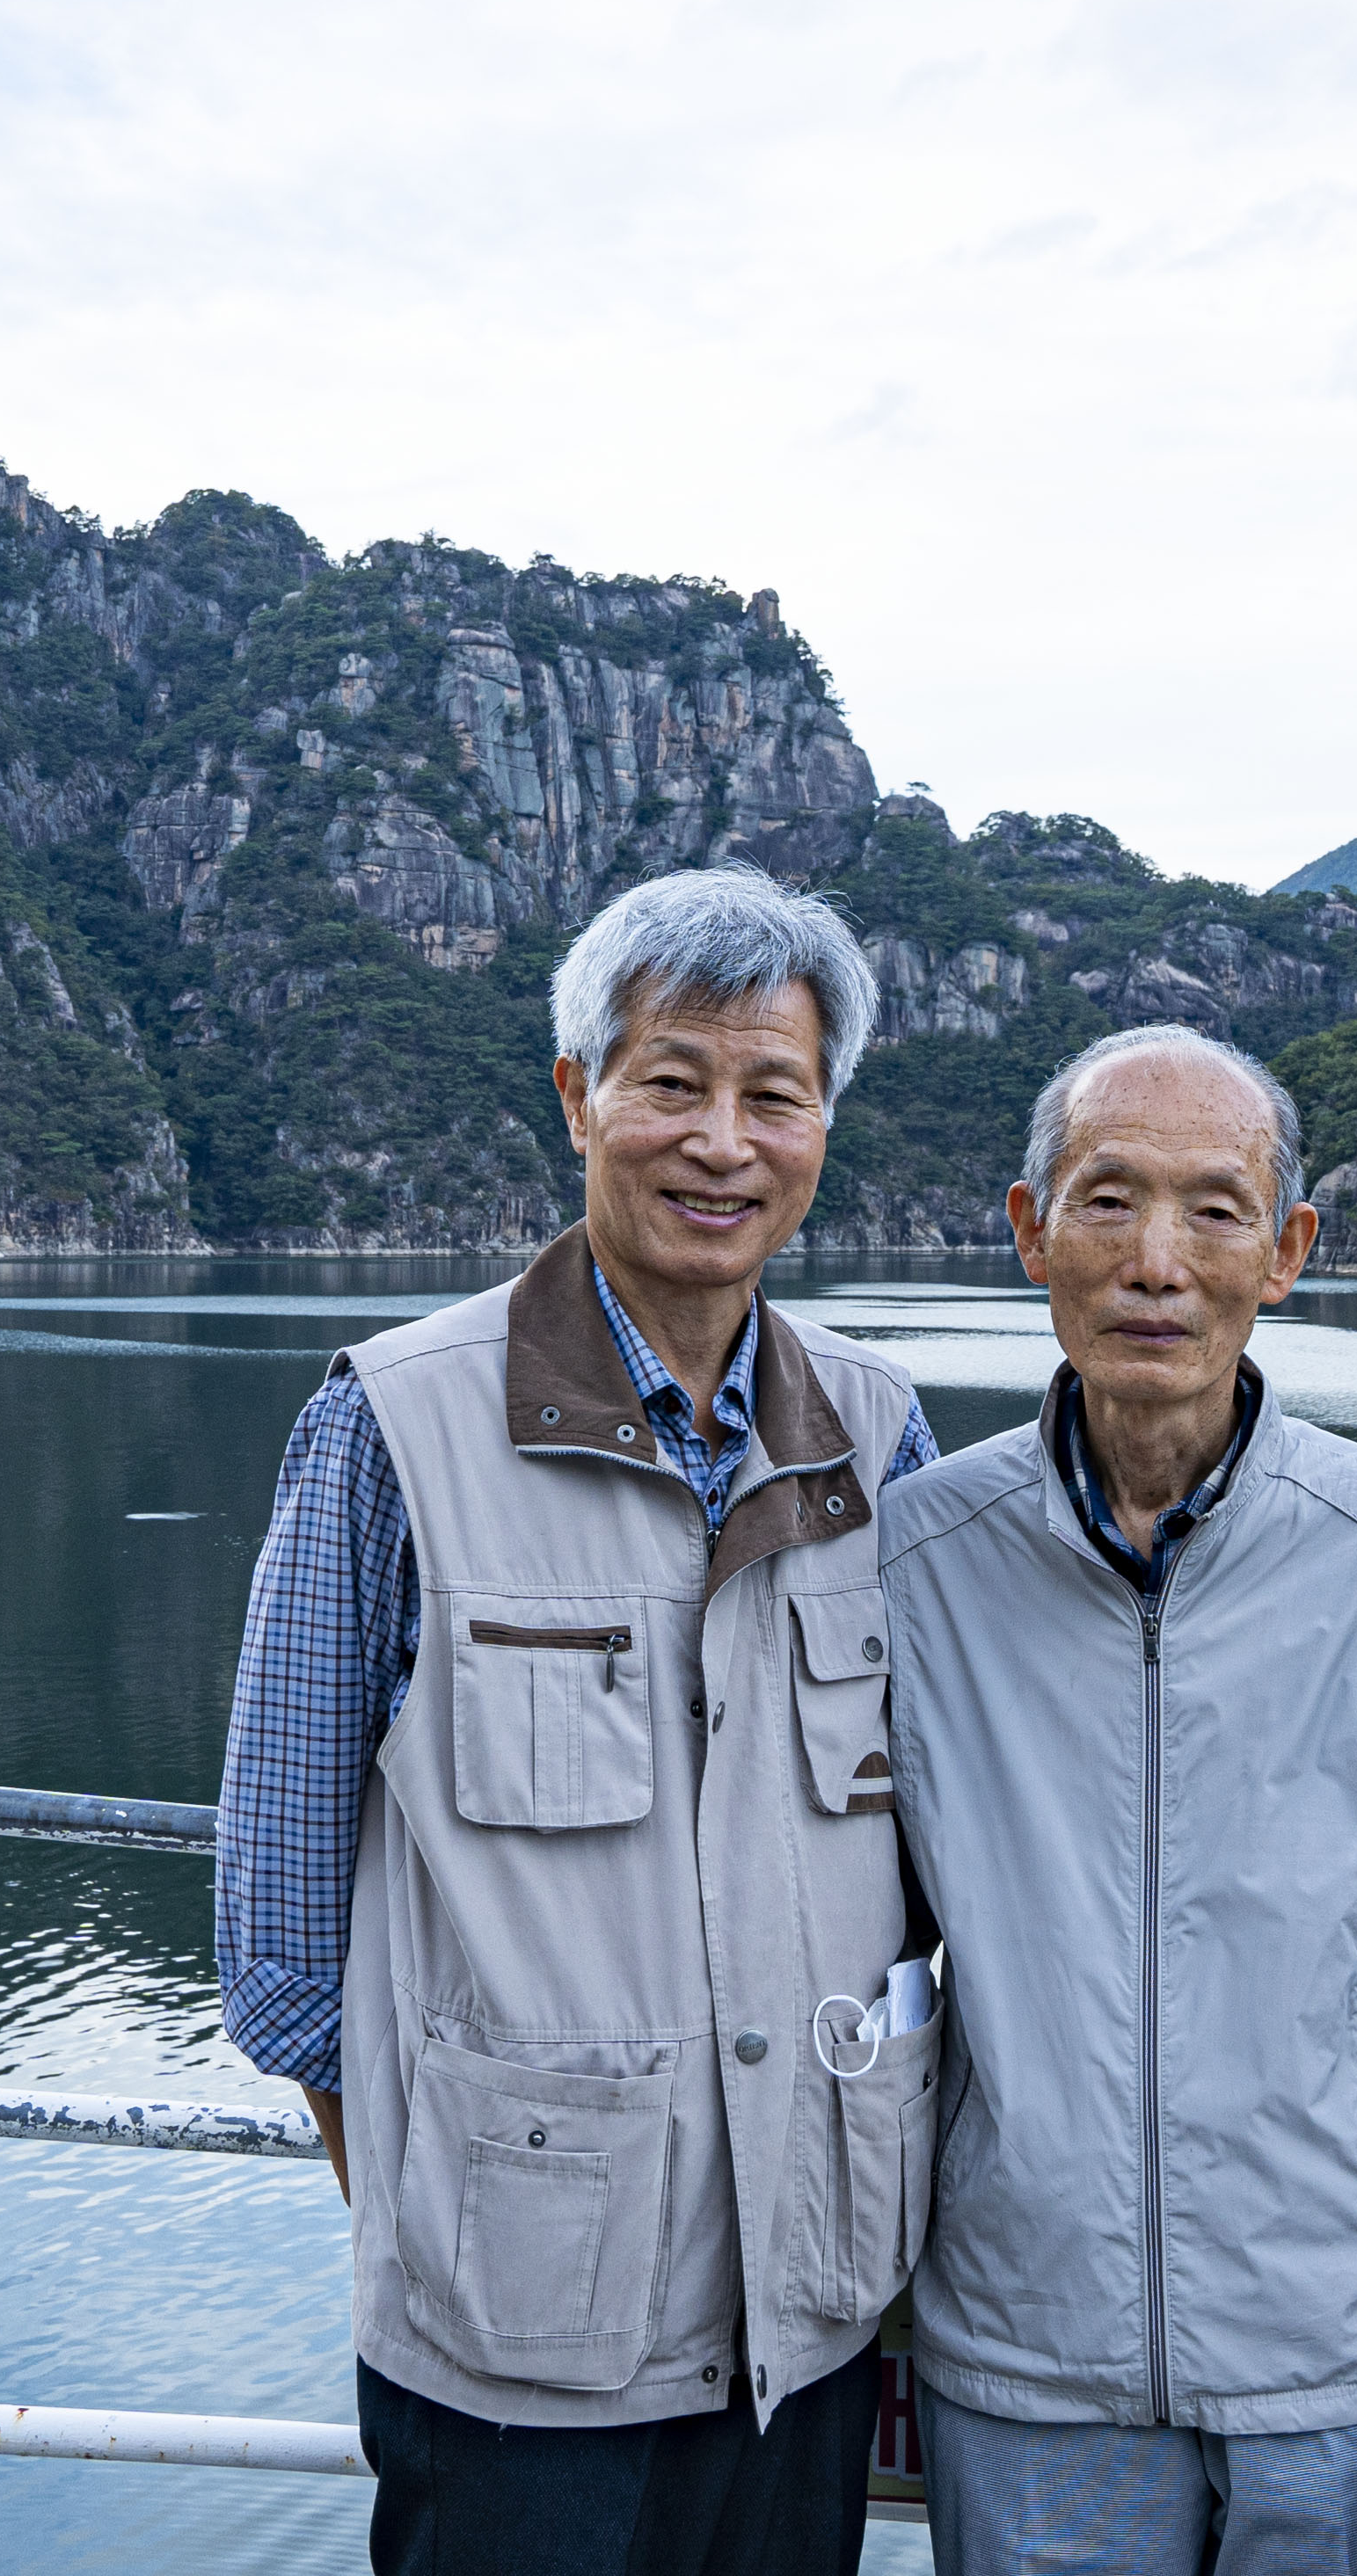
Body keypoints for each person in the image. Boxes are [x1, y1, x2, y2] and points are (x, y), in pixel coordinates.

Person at [213, 865, 947, 2576]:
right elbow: (280, 1932)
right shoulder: (394, 1426)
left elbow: (941, 1854)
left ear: (824, 1124)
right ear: (577, 1095)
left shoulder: (880, 1433)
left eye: (775, 1094)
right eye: (672, 1081)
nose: (723, 1142)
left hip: (809, 2321)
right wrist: (462, 2216)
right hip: (511, 2356)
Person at [879, 1022, 1357, 2574]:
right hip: (1024, 2355)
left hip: (1340, 2346)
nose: (1158, 1262)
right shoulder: (916, 1562)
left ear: (1287, 1253)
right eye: (1108, 1199)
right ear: (1030, 1233)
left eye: (1215, 1210)